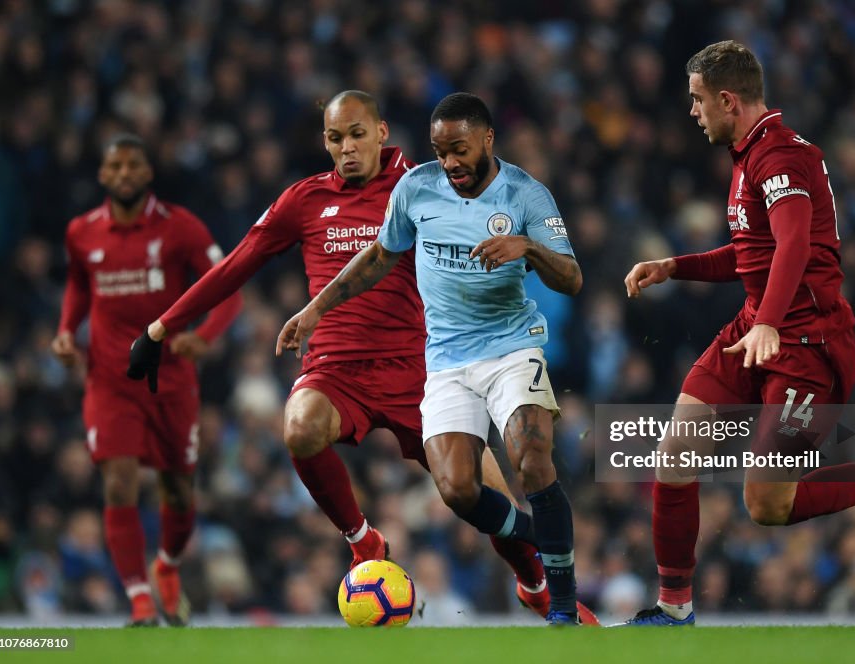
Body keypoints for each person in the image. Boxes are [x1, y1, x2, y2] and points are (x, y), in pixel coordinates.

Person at [127, 91, 597, 624]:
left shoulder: (426, 182)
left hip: (420, 369)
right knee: (299, 427)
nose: (346, 148)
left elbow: (519, 240)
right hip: (337, 368)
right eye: (334, 138)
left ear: (381, 132)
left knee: (479, 497)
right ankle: (363, 539)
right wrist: (161, 328)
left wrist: (523, 250)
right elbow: (237, 264)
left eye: (356, 134)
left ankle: (534, 583)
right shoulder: (304, 200)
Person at [622, 40, 855, 626]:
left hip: (807, 344)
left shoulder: (780, 156)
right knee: (676, 450)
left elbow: (794, 244)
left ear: (728, 100)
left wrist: (766, 324)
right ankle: (673, 607)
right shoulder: (750, 153)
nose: (692, 112)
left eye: (698, 100)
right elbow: (753, 252)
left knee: (766, 503)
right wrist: (676, 267)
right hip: (758, 325)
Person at [276, 92, 586, 625]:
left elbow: (572, 278)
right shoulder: (416, 187)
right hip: (444, 360)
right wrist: (315, 309)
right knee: (458, 491)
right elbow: (378, 257)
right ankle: (544, 535)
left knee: (531, 459)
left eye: (459, 150)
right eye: (441, 151)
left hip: (510, 348)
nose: (450, 163)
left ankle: (562, 607)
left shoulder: (526, 195)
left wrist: (528, 249)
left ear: (487, 139)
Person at [53, 134, 243, 626]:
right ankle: (139, 598)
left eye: (133, 164)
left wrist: (205, 337)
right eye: (114, 166)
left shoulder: (180, 227)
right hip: (110, 380)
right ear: (102, 175)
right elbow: (78, 283)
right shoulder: (81, 232)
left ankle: (168, 565)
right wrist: (64, 332)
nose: (123, 174)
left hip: (171, 379)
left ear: (147, 172)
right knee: (118, 481)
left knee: (178, 492)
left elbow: (228, 286)